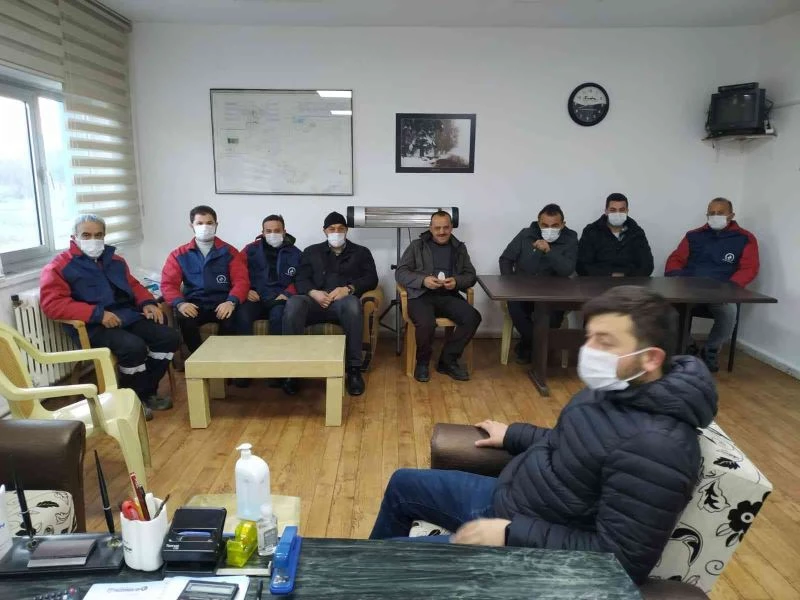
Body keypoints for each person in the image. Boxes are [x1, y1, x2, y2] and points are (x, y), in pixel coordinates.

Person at [369, 286, 717, 586]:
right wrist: (513, 435)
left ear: (651, 358)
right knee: (403, 483)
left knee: (376, 564)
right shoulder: (621, 388)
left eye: (605, 341)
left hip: (526, 544)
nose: (589, 350)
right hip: (513, 499)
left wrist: (509, 535)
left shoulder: (659, 447)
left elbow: (622, 560)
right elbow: (578, 443)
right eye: (590, 336)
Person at [40, 215, 179, 420]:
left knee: (169, 337)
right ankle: (133, 401)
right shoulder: (59, 267)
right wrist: (97, 314)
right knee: (133, 347)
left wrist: (147, 303)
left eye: (98, 235)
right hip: (93, 326)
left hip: (126, 317)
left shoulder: (115, 261)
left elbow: (133, 285)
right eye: (86, 235)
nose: (93, 240)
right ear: (74, 237)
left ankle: (144, 392)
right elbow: (52, 305)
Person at [283, 211, 378, 396]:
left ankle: (354, 370)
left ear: (347, 230)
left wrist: (348, 289)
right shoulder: (311, 251)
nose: (336, 232)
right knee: (294, 303)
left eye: (341, 229)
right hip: (314, 302)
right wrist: (313, 292)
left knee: (352, 305)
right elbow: (300, 278)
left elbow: (371, 279)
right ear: (324, 231)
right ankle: (292, 371)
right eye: (332, 229)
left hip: (342, 303)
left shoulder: (361, 252)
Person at [665, 197, 759, 372]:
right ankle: (689, 346)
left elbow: (749, 268)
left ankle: (711, 350)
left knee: (729, 311)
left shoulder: (745, 238)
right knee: (667, 309)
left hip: (721, 293)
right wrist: (677, 278)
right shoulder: (693, 235)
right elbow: (675, 259)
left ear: (731, 215)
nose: (715, 216)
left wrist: (730, 287)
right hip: (690, 291)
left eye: (720, 213)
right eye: (712, 213)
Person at [161, 205, 251, 368]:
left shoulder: (230, 252)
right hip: (194, 304)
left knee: (232, 318)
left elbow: (241, 281)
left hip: (222, 303)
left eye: (209, 223)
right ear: (192, 226)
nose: (205, 227)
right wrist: (180, 304)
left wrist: (231, 301)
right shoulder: (179, 254)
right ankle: (200, 362)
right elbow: (168, 284)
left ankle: (222, 362)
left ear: (216, 225)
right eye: (200, 223)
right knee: (184, 319)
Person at [395, 211, 480, 382]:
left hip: (448, 295)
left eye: (446, 227)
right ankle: (422, 363)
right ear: (430, 228)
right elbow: (400, 272)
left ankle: (447, 360)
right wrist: (423, 280)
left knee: (473, 317)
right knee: (426, 323)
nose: (442, 232)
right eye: (437, 228)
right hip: (420, 296)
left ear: (451, 227)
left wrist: (456, 282)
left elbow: (471, 275)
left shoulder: (459, 248)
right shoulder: (417, 246)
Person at [498, 203, 578, 363]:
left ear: (563, 224)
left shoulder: (570, 239)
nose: (549, 229)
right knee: (516, 309)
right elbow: (505, 259)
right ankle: (540, 347)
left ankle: (528, 347)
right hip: (523, 290)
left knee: (552, 318)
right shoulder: (526, 234)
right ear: (539, 222)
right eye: (545, 225)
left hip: (555, 294)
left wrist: (549, 251)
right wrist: (510, 283)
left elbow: (567, 269)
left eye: (555, 225)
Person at [241, 214, 302, 394]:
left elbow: (301, 278)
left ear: (284, 231)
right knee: (242, 315)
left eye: (277, 230)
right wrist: (245, 290)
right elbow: (237, 273)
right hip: (255, 297)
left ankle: (277, 370)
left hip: (279, 298)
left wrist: (288, 293)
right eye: (268, 231)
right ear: (262, 232)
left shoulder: (296, 253)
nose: (273, 234)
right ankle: (243, 368)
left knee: (278, 318)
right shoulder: (249, 250)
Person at [576, 193, 654, 277]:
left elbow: (648, 266)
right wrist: (610, 274)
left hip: (630, 281)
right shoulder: (591, 231)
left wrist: (625, 275)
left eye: (622, 210)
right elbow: (581, 266)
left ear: (627, 211)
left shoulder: (636, 232)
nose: (618, 213)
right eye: (613, 210)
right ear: (606, 211)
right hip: (599, 281)